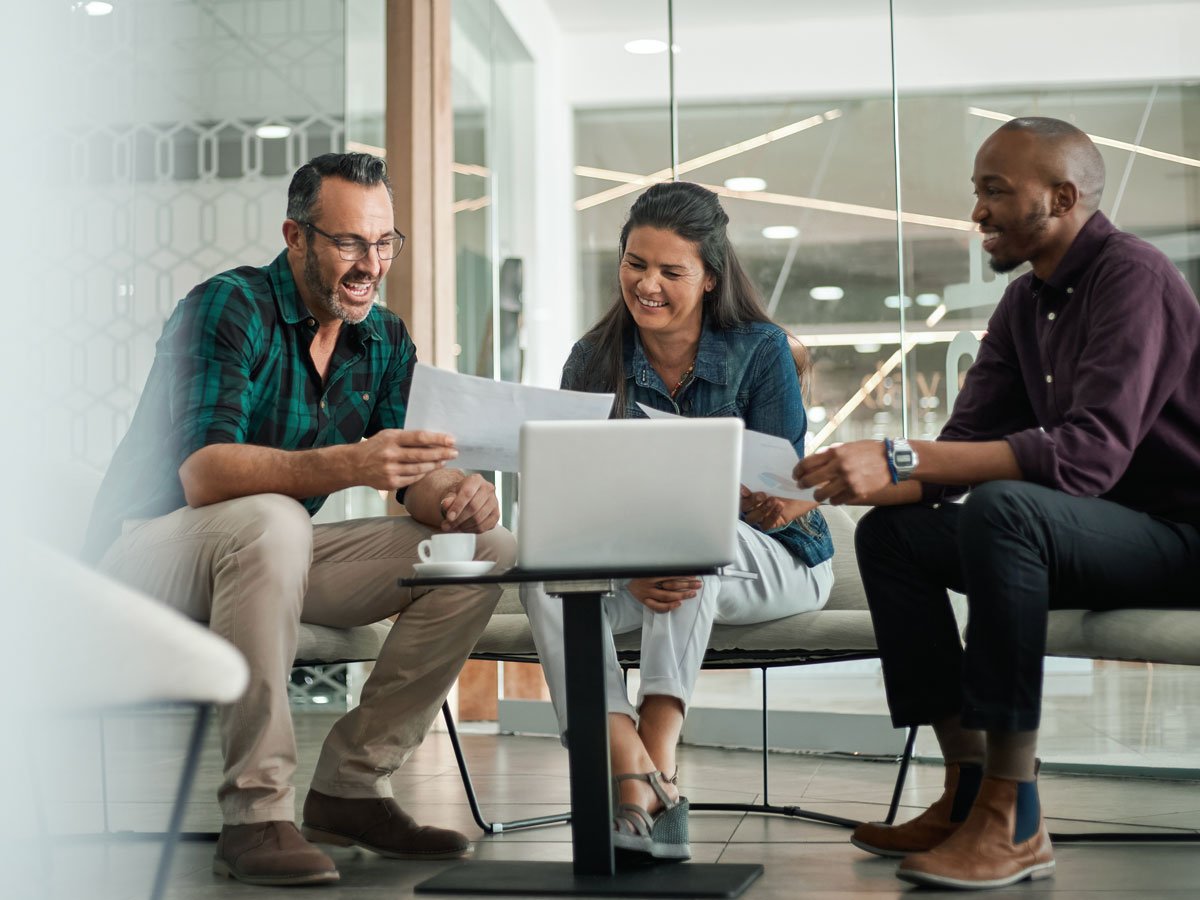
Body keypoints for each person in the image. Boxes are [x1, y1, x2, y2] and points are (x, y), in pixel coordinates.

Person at [83, 152, 516, 887]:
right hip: (147, 555)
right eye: (349, 243)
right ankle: (256, 813)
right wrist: (353, 462)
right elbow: (204, 473)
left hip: (264, 550)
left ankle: (352, 786)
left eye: (383, 244)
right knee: (275, 518)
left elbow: (401, 469)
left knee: (485, 548)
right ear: (295, 235)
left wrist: (453, 494)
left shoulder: (382, 339)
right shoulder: (227, 307)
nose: (369, 265)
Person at [795, 117, 1200, 890]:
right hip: (1085, 536)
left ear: (1062, 197)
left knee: (1005, 507)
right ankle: (969, 790)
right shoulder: (1025, 306)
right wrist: (834, 482)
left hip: (1179, 539)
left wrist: (903, 456)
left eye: (994, 192)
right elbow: (960, 453)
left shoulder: (1134, 278)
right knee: (894, 534)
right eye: (978, 192)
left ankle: (1015, 820)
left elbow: (1087, 455)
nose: (977, 212)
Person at [521, 181, 835, 862]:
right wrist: (627, 566)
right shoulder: (592, 358)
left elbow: (789, 484)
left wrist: (766, 498)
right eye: (636, 264)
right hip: (643, 562)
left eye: (671, 271)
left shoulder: (759, 349)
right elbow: (576, 494)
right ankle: (631, 771)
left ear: (710, 277)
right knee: (542, 577)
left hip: (775, 557)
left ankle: (652, 761)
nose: (648, 285)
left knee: (685, 538)